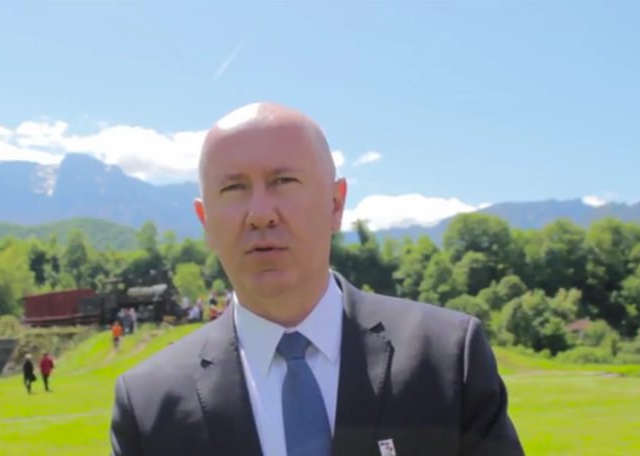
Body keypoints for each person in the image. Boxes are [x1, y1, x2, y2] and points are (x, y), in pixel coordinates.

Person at [110, 102, 524, 455]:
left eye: (283, 181)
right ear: (205, 220)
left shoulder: (446, 358)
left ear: (335, 204)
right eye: (234, 188)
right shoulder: (149, 406)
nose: (260, 214)